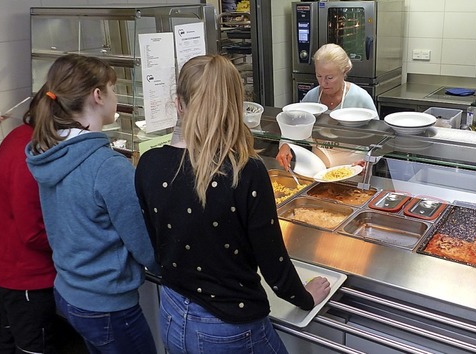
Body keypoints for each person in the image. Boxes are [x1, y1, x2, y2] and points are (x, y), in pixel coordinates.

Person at [135, 54, 331, 354]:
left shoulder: (149, 164)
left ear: (179, 104)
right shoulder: (245, 171)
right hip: (230, 328)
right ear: (235, 107)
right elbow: (274, 265)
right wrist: (305, 297)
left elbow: (159, 242)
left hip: (172, 313)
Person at [25, 54, 159, 354]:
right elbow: (145, 246)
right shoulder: (108, 167)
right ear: (98, 95)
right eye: (113, 88)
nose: (115, 96)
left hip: (69, 293)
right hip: (108, 305)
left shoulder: (49, 150)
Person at [0, 104, 58, 353]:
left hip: (4, 263)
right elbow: (33, 233)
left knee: (9, 337)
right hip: (25, 275)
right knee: (34, 346)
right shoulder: (30, 152)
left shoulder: (18, 135)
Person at [276, 43, 377, 170]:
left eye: (330, 77)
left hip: (353, 168)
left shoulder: (360, 97)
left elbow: (379, 140)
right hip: (317, 166)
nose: (323, 83)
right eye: (319, 76)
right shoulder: (312, 97)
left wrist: (367, 161)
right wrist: (285, 145)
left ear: (344, 71)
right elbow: (294, 126)